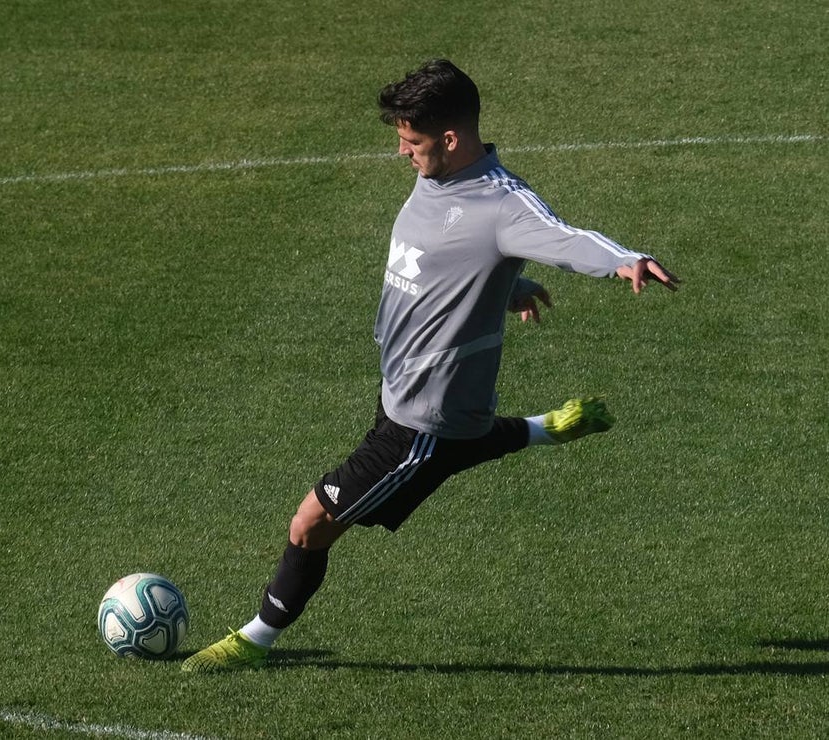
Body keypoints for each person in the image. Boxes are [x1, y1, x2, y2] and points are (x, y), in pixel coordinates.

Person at [181, 59, 679, 673]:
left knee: (311, 523)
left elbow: (564, 236)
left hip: (422, 418)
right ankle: (550, 427)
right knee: (463, 439)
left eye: (410, 142)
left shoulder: (503, 204)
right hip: (405, 391)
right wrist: (508, 284)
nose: (401, 154)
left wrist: (625, 259)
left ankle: (254, 642)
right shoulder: (436, 179)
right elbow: (452, 259)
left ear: (450, 138)